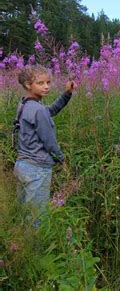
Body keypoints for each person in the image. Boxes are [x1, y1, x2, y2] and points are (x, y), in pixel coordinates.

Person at [13, 65, 75, 226]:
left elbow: (50, 111)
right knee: (36, 219)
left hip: (22, 165)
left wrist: (66, 94)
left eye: (48, 82)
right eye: (40, 83)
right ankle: (35, 249)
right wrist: (62, 160)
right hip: (37, 170)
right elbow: (50, 143)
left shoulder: (25, 105)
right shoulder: (38, 110)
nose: (46, 86)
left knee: (24, 214)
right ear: (28, 84)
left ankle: (22, 247)